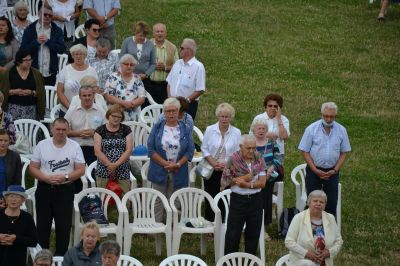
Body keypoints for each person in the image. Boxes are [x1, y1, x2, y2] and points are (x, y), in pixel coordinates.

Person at [29, 118, 85, 256]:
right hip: (44, 189)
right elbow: (33, 168)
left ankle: (61, 258)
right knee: (42, 226)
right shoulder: (42, 145)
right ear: (52, 129)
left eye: (64, 129)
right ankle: (42, 258)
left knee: (63, 227)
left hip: (65, 190)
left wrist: (65, 177)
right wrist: (46, 178)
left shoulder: (74, 146)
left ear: (67, 130)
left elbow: (81, 169)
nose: (61, 132)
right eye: (58, 129)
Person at [298, 102, 351, 217]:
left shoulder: (342, 130)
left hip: (332, 172)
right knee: (312, 202)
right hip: (313, 171)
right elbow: (304, 151)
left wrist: (335, 170)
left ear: (335, 116)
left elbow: (344, 152)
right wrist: (315, 169)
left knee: (331, 203)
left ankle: (330, 231)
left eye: (331, 116)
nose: (328, 119)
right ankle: (310, 231)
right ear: (321, 114)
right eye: (326, 116)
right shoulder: (311, 129)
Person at [147, 97, 194, 222]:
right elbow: (150, 149)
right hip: (158, 168)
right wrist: (165, 163)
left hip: (179, 169)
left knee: (175, 199)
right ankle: (156, 225)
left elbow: (190, 151)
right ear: (164, 112)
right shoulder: (157, 127)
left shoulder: (186, 128)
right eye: (168, 111)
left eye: (174, 111)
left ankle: (172, 225)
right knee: (158, 199)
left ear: (179, 111)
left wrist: (177, 164)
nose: (171, 114)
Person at [221, 134, 267, 256]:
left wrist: (246, 184)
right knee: (233, 234)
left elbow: (262, 183)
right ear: (241, 146)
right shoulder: (233, 159)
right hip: (238, 200)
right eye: (248, 148)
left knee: (253, 233)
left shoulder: (259, 158)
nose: (251, 151)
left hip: (256, 200)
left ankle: (250, 261)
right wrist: (245, 177)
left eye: (254, 148)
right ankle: (229, 262)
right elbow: (226, 181)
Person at [201, 103, 241, 222]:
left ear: (231, 117)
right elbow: (204, 148)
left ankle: (224, 223)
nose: (224, 119)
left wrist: (227, 165)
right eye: (222, 116)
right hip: (211, 168)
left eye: (227, 116)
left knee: (226, 197)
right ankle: (210, 223)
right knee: (211, 197)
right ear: (218, 116)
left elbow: (238, 152)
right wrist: (213, 163)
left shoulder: (236, 132)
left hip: (228, 170)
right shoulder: (210, 129)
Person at [64, 78, 105, 192]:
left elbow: (107, 131)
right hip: (75, 147)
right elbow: (63, 131)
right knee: (76, 175)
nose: (87, 98)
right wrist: (77, 133)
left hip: (94, 147)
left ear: (93, 96)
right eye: (84, 95)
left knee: (93, 173)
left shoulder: (100, 111)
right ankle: (76, 197)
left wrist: (94, 133)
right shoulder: (72, 111)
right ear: (80, 97)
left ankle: (93, 197)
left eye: (89, 95)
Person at [285, 190, 343, 266]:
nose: (318, 204)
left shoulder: (330, 218)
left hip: (324, 262)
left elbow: (339, 241)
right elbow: (289, 241)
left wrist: (329, 252)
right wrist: (306, 253)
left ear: (325, 205)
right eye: (315, 201)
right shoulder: (298, 218)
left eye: (322, 202)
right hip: (302, 261)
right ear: (309, 203)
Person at [250, 118, 283, 241]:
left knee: (265, 200)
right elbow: (246, 160)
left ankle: (263, 229)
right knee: (253, 202)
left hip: (268, 179)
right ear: (253, 130)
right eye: (259, 128)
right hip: (252, 178)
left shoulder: (271, 143)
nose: (261, 131)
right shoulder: (250, 144)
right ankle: (252, 227)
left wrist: (271, 168)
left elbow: (278, 158)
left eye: (264, 129)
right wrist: (260, 172)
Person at [20, 5, 66, 86]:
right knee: (34, 96)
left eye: (50, 15)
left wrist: (48, 42)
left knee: (48, 96)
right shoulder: (30, 29)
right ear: (39, 13)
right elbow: (23, 50)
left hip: (50, 72)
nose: (47, 17)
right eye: (45, 14)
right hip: (33, 71)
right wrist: (36, 42)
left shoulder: (57, 30)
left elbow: (62, 49)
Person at [94, 104, 133, 194]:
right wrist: (110, 166)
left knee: (124, 198)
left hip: (123, 169)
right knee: (104, 199)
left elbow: (129, 150)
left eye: (119, 117)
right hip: (103, 169)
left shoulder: (126, 130)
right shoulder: (100, 130)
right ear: (108, 116)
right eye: (113, 116)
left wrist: (116, 165)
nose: (116, 119)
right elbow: (97, 151)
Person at [0, 48, 45, 120]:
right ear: (19, 61)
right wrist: (12, 92)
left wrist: (31, 92)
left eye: (30, 60)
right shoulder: (8, 73)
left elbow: (41, 93)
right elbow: (1, 91)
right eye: (26, 60)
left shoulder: (36, 74)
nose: (29, 62)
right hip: (12, 109)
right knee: (12, 131)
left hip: (31, 110)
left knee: (29, 130)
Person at [167, 38, 205, 120]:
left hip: (187, 105)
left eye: (182, 48)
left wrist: (186, 101)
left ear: (190, 51)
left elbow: (200, 89)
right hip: (172, 103)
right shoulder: (177, 63)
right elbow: (169, 82)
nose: (179, 49)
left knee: (184, 129)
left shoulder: (198, 67)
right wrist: (170, 98)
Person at [0, 185, 37, 266]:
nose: (14, 199)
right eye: (11, 196)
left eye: (17, 197)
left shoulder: (27, 218)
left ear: (23, 200)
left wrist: (16, 238)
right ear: (6, 199)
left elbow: (33, 241)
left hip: (18, 260)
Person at [57, 43, 98, 117]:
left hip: (87, 111)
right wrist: (70, 108)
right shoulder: (65, 70)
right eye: (76, 54)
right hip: (67, 110)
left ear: (85, 55)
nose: (78, 56)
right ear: (72, 56)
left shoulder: (92, 71)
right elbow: (60, 92)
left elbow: (96, 91)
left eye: (81, 54)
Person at [120, 20, 156, 102]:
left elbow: (153, 63)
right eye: (140, 35)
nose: (143, 38)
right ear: (135, 33)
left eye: (145, 35)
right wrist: (128, 72)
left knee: (143, 101)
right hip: (128, 77)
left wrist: (146, 74)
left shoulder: (150, 44)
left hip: (144, 79)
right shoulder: (127, 41)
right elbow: (121, 59)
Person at [104, 54, 145, 121]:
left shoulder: (137, 78)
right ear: (121, 65)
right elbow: (108, 96)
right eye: (126, 64)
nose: (129, 66)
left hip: (133, 113)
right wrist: (124, 103)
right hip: (115, 113)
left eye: (131, 65)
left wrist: (131, 104)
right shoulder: (113, 77)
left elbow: (142, 97)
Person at [148, 23, 178, 104]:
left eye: (162, 31)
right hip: (148, 84)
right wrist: (152, 66)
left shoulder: (172, 47)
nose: (160, 34)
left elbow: (177, 69)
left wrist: (165, 67)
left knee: (163, 110)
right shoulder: (146, 45)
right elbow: (139, 65)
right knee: (147, 110)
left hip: (164, 86)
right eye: (157, 31)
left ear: (166, 33)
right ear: (153, 33)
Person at [252, 93, 289, 158]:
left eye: (275, 106)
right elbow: (251, 136)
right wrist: (267, 135)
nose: (272, 108)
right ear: (265, 107)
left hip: (278, 153)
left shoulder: (284, 119)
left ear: (279, 108)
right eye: (270, 106)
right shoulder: (258, 118)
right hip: (259, 152)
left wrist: (279, 119)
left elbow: (284, 137)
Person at [0, 129, 22, 196]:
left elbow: (17, 180)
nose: (3, 143)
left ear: (9, 141)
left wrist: (10, 197)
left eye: (5, 141)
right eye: (0, 140)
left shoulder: (15, 157)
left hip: (9, 195)